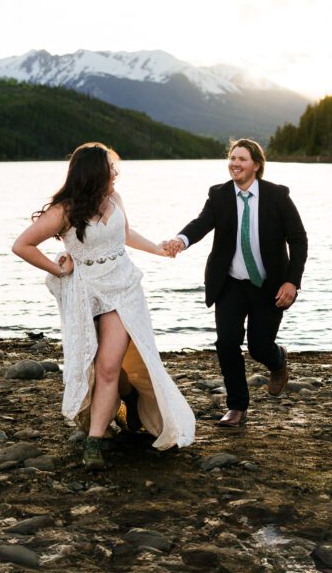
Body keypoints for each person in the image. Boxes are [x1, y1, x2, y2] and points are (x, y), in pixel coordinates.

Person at [12, 142, 195, 469]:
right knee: (92, 363)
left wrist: (158, 250)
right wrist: (59, 269)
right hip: (87, 293)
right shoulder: (64, 211)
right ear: (93, 173)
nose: (116, 174)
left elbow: (124, 234)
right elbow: (22, 245)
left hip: (123, 289)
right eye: (111, 169)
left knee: (109, 365)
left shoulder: (115, 200)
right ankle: (127, 401)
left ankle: (94, 442)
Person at [163, 138, 307, 428]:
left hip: (268, 286)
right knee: (227, 343)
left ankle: (278, 361)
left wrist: (292, 282)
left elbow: (298, 240)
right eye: (232, 158)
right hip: (230, 283)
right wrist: (180, 240)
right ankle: (237, 407)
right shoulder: (219, 195)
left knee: (259, 347)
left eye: (242, 159)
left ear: (256, 165)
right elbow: (201, 224)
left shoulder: (277, 196)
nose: (235, 164)